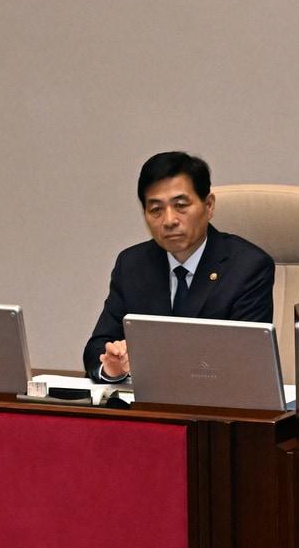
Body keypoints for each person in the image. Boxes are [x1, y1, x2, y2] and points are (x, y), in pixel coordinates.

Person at [83, 151, 274, 381]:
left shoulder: (248, 267)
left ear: (209, 206)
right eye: (156, 209)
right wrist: (111, 368)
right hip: (148, 399)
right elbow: (97, 348)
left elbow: (247, 360)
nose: (169, 220)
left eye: (181, 205)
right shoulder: (132, 264)